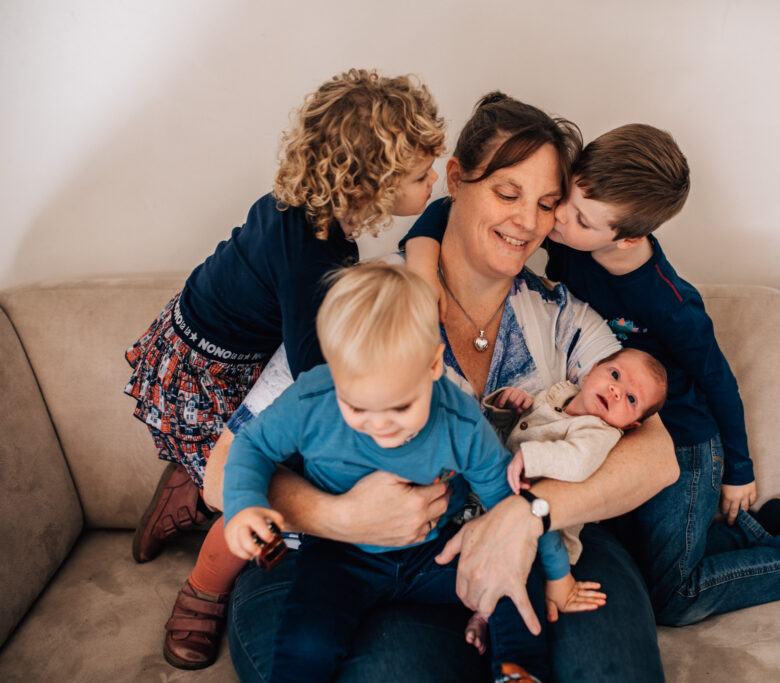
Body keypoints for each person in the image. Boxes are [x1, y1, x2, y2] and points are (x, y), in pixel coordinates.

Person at [202, 92, 679, 682]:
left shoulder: (564, 317)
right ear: (455, 179)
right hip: (336, 559)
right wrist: (343, 518)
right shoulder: (366, 304)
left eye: (547, 204)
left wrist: (528, 515)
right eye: (507, 193)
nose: (527, 222)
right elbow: (222, 471)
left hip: (527, 541)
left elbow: (658, 456)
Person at [407, 122, 780, 628]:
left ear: (626, 237)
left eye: (574, 216)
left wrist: (739, 472)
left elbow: (719, 383)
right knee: (635, 552)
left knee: (671, 593)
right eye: (563, 201)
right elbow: (453, 208)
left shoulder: (670, 302)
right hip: (613, 423)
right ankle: (759, 528)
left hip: (684, 440)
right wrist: (422, 265)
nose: (549, 222)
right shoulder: (575, 238)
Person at [123, 68, 445, 669]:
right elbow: (316, 375)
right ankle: (203, 586)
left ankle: (184, 487)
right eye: (422, 176)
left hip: (212, 340)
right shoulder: (315, 259)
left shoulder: (307, 207)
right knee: (246, 481)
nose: (433, 182)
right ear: (372, 183)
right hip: (205, 370)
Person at [223, 263, 584, 682]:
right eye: (357, 407)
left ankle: (519, 673)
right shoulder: (312, 399)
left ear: (433, 366)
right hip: (341, 555)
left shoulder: (459, 420)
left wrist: (558, 575)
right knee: (306, 641)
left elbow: (511, 505)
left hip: (435, 552)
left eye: (400, 407)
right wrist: (243, 505)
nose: (380, 426)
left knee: (513, 574)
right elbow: (252, 446)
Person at [463, 346, 668, 654]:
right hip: (495, 501)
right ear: (593, 369)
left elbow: (576, 461)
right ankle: (479, 609)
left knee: (516, 573)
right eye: (614, 375)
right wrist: (509, 409)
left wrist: (530, 457)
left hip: (547, 534)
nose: (615, 391)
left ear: (630, 426)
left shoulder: (600, 432)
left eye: (630, 399)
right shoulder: (559, 394)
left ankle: (486, 620)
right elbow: (519, 430)